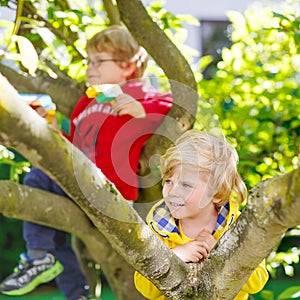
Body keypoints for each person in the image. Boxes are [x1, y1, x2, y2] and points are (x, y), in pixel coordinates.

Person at [0, 25, 172, 300]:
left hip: (109, 189)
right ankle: (72, 290)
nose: (89, 68)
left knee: (38, 178)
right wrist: (51, 131)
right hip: (78, 182)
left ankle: (37, 256)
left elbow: (173, 112)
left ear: (128, 66)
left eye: (98, 61)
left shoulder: (142, 94)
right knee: (51, 217)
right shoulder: (87, 101)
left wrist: (141, 112)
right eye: (88, 61)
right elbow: (74, 144)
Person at [134, 130, 269, 299]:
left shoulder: (238, 227)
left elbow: (257, 281)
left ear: (217, 193)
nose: (173, 191)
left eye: (186, 185)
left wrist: (222, 252)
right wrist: (174, 257)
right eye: (169, 181)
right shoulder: (160, 228)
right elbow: (143, 286)